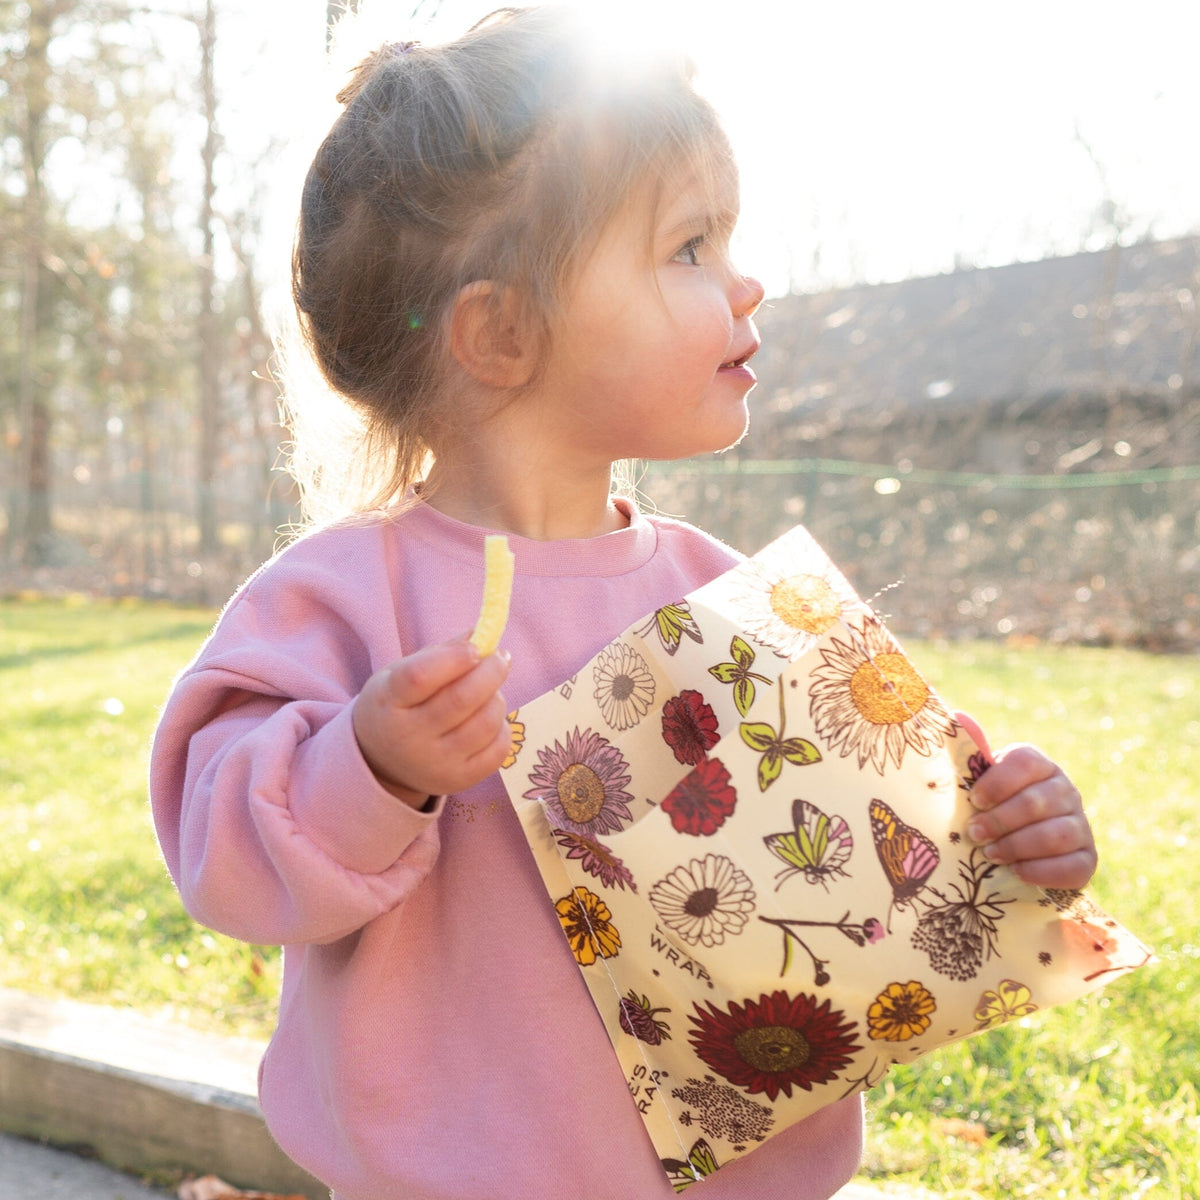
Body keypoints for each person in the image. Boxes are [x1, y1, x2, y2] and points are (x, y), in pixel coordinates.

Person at [150, 8, 1099, 1199]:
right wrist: (374, 766)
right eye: (688, 248)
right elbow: (227, 867)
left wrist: (1017, 832)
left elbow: (889, 861)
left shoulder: (725, 594)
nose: (747, 283)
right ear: (500, 329)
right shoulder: (343, 601)